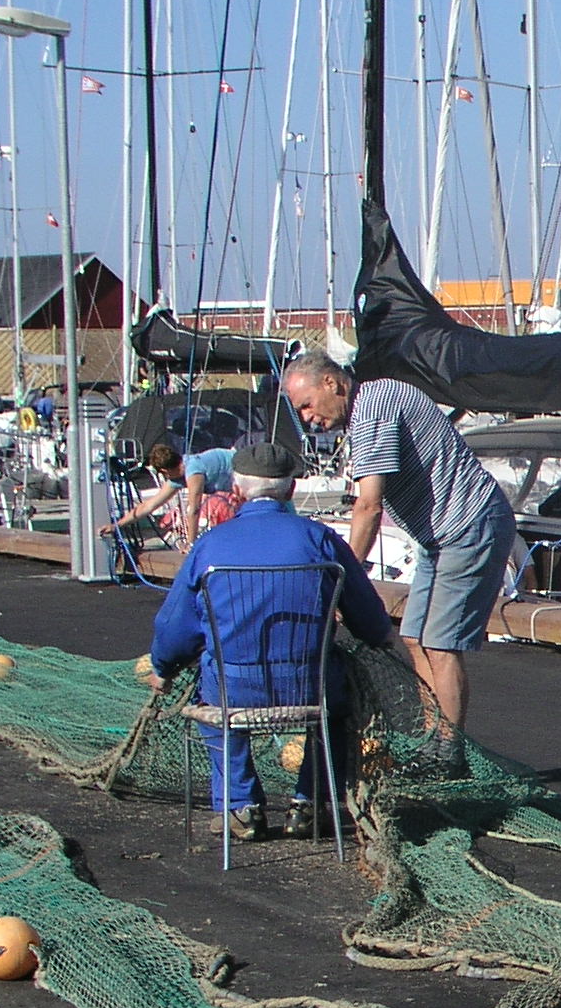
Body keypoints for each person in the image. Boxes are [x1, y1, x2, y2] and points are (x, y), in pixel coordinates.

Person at [145, 442, 396, 843]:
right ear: (291, 489)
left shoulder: (211, 545)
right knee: (336, 711)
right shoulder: (321, 539)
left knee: (213, 701)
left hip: (234, 687)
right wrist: (380, 635)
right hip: (310, 685)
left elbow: (176, 626)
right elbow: (367, 616)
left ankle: (240, 805)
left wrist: (163, 667)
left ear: (237, 490)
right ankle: (310, 802)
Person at [279, 351, 514, 743]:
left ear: (331, 384)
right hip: (437, 537)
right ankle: (431, 736)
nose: (306, 418)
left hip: (468, 525)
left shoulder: (372, 411)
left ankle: (448, 752)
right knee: (414, 637)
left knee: (440, 644)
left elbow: (369, 506)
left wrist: (343, 583)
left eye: (306, 405)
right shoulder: (375, 399)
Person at [102, 444, 241, 550]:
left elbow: (194, 510)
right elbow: (149, 506)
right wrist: (117, 525)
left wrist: (190, 545)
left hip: (245, 466)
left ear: (164, 471)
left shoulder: (193, 470)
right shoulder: (178, 478)